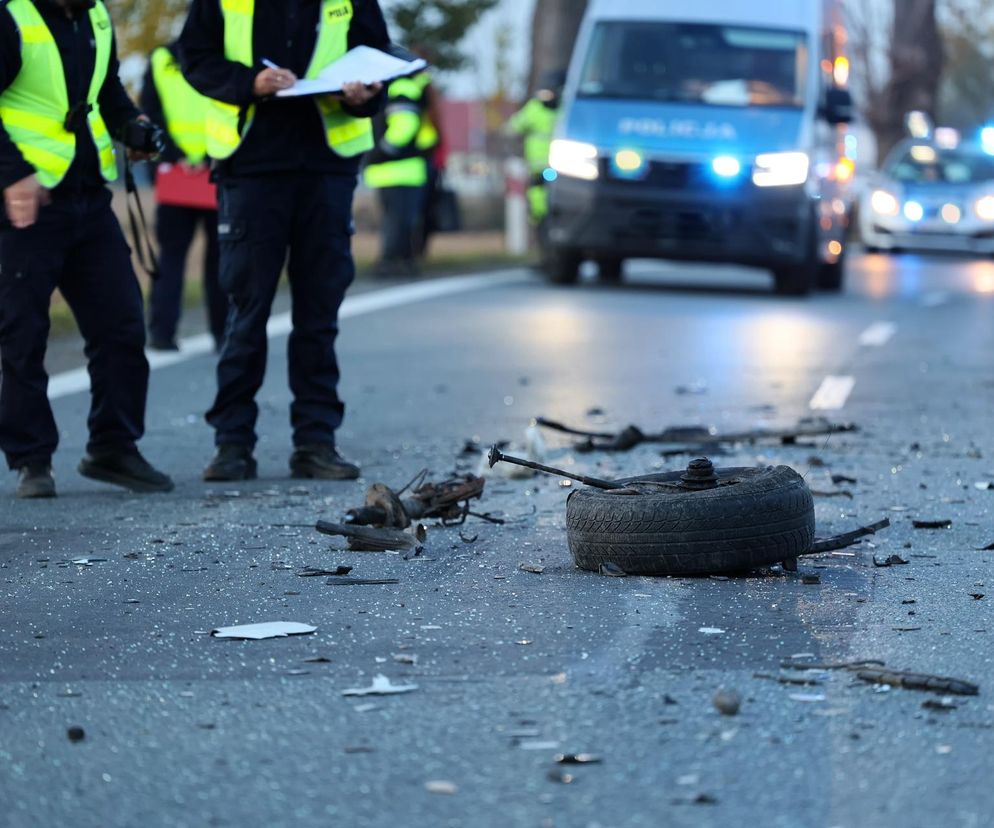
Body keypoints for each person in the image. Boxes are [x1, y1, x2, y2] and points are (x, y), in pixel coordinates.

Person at [179, 0, 389, 482]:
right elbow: (195, 56)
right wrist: (248, 83)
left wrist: (366, 95)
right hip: (252, 167)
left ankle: (316, 443)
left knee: (319, 313)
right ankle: (232, 443)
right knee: (247, 311)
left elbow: (377, 58)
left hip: (326, 168)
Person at [0, 0, 174, 499]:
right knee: (23, 334)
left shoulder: (95, 14)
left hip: (89, 198)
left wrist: (134, 128)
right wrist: (13, 176)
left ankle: (113, 448)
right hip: (25, 204)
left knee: (121, 324)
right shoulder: (11, 16)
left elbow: (106, 90)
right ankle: (30, 459)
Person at [140, 41, 227, 352]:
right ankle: (223, 334)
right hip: (216, 167)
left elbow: (150, 111)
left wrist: (174, 154)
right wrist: (205, 155)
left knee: (171, 257)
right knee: (219, 259)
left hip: (175, 172)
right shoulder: (222, 53)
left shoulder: (161, 57)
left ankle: (162, 333)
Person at [364, 70, 433, 277]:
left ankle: (391, 262)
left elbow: (404, 125)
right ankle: (401, 261)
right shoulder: (405, 86)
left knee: (396, 220)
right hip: (399, 171)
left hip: (397, 169)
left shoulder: (400, 88)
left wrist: (381, 152)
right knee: (399, 220)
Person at [508, 71, 564, 229]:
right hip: (539, 165)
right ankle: (540, 220)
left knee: (557, 193)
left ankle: (551, 219)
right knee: (538, 193)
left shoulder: (565, 108)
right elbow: (515, 126)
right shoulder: (534, 108)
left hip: (562, 164)